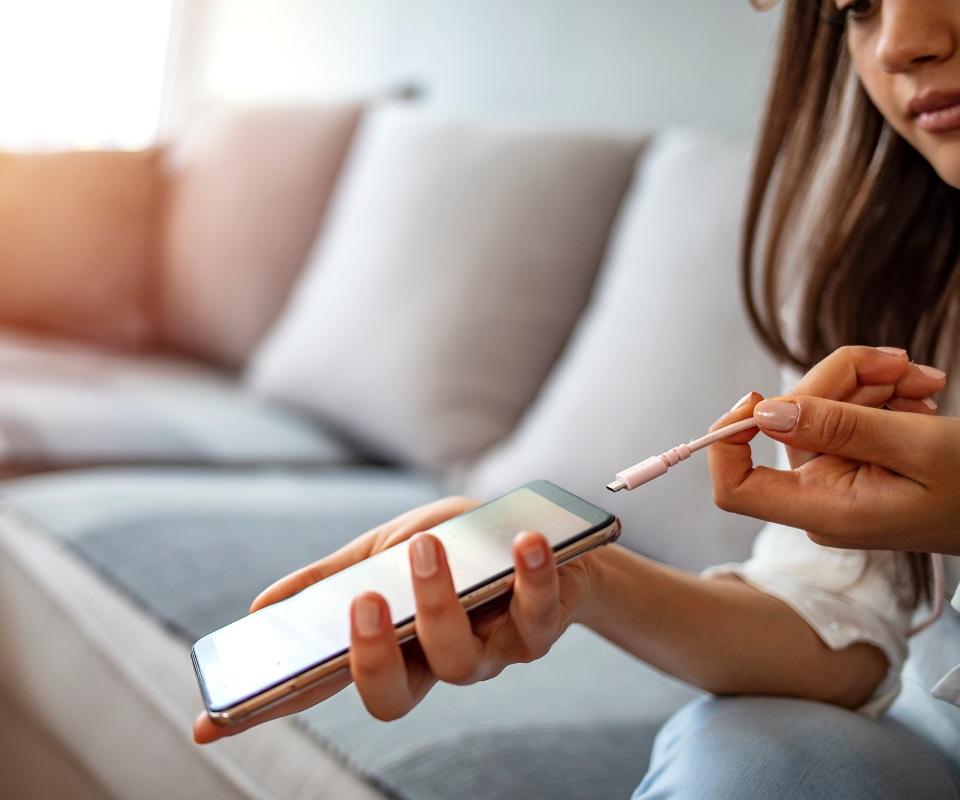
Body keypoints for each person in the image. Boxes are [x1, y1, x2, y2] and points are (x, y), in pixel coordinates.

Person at [194, 0, 960, 796]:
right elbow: (845, 639)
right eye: (856, 7)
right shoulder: (890, 290)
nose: (902, 43)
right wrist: (583, 577)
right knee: (750, 757)